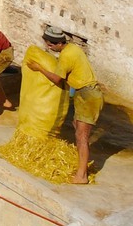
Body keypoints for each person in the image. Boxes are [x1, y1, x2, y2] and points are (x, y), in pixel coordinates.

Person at [27, 25, 101, 184]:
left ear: (60, 43)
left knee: (82, 137)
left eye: (51, 44)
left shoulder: (66, 56)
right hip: (87, 93)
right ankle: (82, 161)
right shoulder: (72, 48)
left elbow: (57, 79)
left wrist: (39, 68)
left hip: (88, 96)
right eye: (47, 43)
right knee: (77, 126)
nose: (49, 47)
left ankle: (82, 176)